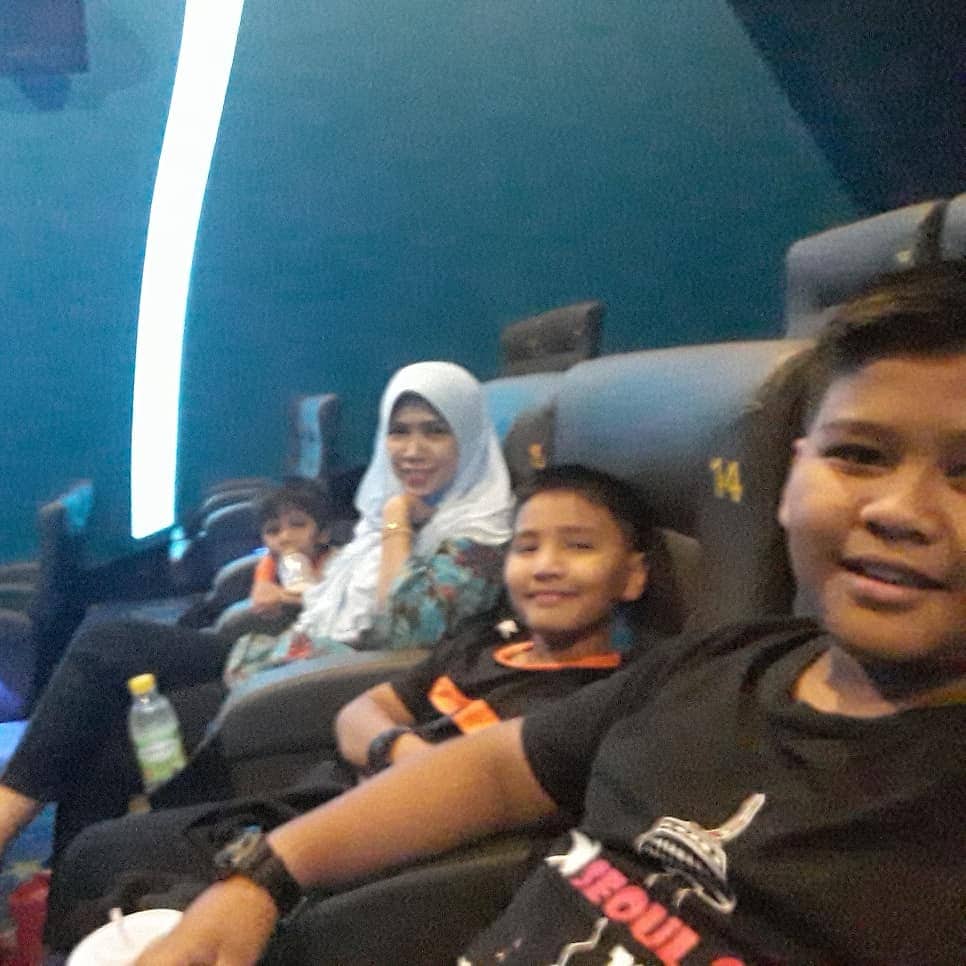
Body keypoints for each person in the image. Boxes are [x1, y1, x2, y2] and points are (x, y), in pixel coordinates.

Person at [134, 262, 965, 966]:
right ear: (792, 479)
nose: (899, 510)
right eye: (859, 455)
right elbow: (498, 769)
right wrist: (261, 879)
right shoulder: (720, 662)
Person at [46, 465, 670, 947]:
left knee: (110, 873)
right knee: (96, 848)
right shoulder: (486, 643)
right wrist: (400, 750)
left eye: (579, 547)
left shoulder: (602, 699)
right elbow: (357, 714)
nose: (547, 567)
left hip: (370, 868)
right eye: (527, 547)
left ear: (634, 575)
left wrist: (409, 770)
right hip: (317, 803)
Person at [0, 361, 513, 864]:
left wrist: (398, 521)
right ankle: (49, 877)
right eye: (399, 432)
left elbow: (401, 632)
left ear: (468, 438)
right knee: (109, 646)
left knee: (110, 739)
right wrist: (286, 587)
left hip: (324, 686)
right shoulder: (401, 513)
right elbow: (342, 602)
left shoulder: (477, 539)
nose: (412, 450)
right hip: (290, 652)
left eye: (435, 431)